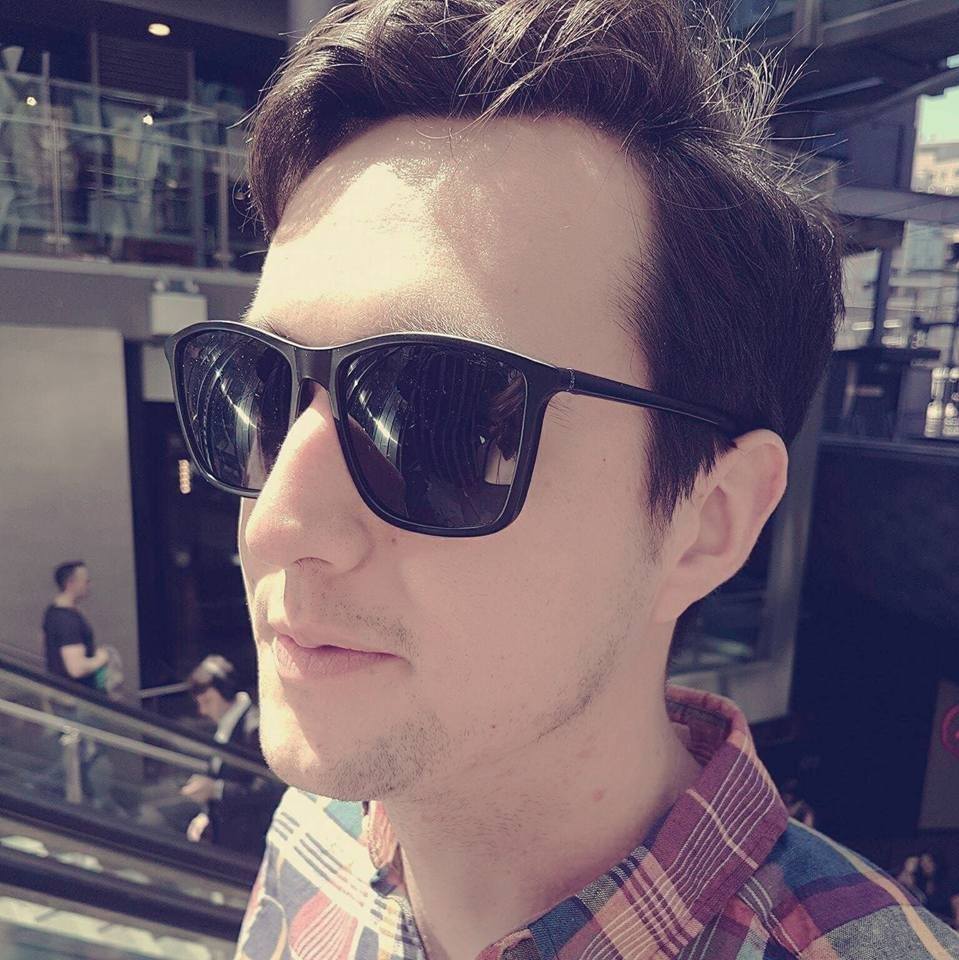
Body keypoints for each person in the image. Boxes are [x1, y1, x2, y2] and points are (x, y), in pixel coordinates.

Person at [164, 0, 959, 957]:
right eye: (256, 386)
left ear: (708, 519)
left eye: (443, 421)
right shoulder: (312, 840)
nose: (275, 521)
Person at [180, 655, 283, 858]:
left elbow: (271, 788)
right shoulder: (228, 724)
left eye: (207, 701)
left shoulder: (254, 729)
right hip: (227, 834)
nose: (202, 710)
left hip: (249, 844)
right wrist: (206, 814)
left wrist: (216, 790)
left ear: (222, 692)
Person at [42, 561, 108, 691]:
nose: (88, 585)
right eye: (85, 581)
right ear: (70, 583)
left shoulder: (53, 611)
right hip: (77, 696)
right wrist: (101, 658)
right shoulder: (66, 620)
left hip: (64, 693)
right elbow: (76, 669)